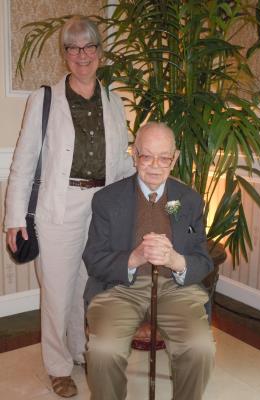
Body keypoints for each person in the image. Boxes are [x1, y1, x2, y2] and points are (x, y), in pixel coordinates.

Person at [5, 16, 135, 398]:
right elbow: (24, 161)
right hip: (60, 207)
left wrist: (147, 184)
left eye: (89, 46)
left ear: (100, 52)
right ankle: (58, 365)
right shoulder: (44, 99)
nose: (82, 55)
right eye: (73, 48)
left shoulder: (113, 101)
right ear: (65, 55)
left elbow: (122, 160)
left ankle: (79, 349)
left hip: (103, 206)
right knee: (59, 292)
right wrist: (15, 219)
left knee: (86, 285)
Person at [83, 122, 216, 400]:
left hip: (175, 290)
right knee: (104, 351)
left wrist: (176, 260)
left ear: (175, 158)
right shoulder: (107, 200)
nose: (155, 165)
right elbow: (94, 259)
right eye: (146, 156)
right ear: (134, 156)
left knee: (200, 348)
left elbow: (203, 260)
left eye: (164, 157)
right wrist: (133, 257)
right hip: (119, 289)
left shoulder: (189, 201)